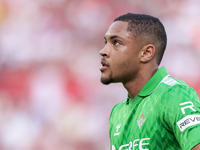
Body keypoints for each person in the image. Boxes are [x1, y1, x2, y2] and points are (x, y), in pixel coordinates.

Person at [99, 13, 200, 150]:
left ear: (146, 53)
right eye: (106, 42)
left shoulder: (174, 94)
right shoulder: (117, 112)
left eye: (116, 42)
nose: (103, 51)